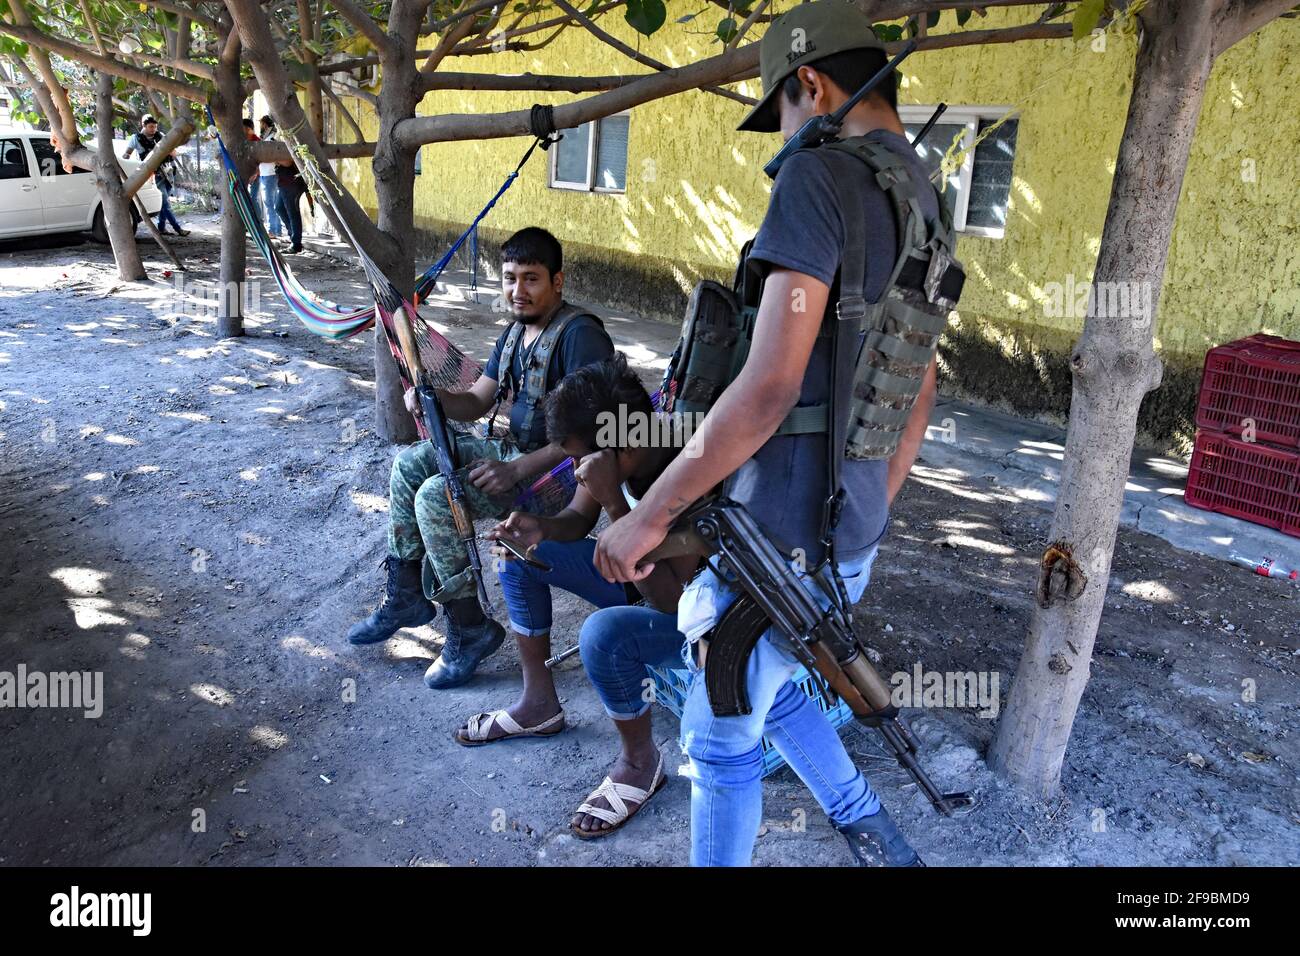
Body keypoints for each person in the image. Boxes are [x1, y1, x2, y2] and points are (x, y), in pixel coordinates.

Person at [592, 0, 951, 866]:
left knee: (720, 744)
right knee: (775, 678)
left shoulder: (820, 178)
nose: (781, 137)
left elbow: (767, 387)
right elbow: (921, 383)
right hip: (846, 527)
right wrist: (871, 501)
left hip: (776, 531)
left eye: (783, 112)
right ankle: (876, 833)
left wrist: (649, 514)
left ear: (810, 83)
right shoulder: (922, 193)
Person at [347, 227, 616, 690]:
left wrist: (515, 469)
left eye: (531, 279)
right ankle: (407, 592)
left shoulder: (581, 337)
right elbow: (476, 400)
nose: (518, 290)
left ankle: (471, 626)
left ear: (558, 281)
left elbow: (593, 437)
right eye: (510, 278)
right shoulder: (515, 332)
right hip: (516, 456)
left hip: (560, 477)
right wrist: (430, 398)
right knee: (410, 465)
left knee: (437, 496)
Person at [460, 354, 701, 838]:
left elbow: (672, 602)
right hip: (640, 580)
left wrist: (616, 501)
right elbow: (578, 519)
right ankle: (538, 705)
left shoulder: (688, 470)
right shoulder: (615, 450)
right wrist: (539, 528)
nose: (573, 469)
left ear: (621, 447)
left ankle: (639, 764)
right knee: (521, 555)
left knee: (604, 637)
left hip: (697, 615)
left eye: (577, 459)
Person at [123, 114, 188, 236]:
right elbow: (127, 154)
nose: (153, 129)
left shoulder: (160, 136)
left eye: (155, 127)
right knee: (165, 202)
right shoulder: (136, 138)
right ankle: (178, 228)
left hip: (168, 172)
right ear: (144, 125)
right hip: (152, 174)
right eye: (151, 127)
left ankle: (161, 227)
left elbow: (172, 152)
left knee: (164, 201)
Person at [256, 115, 282, 238]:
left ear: (265, 125)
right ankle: (276, 229)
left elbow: (272, 157)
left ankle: (273, 230)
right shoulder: (267, 138)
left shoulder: (271, 140)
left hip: (269, 174)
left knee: (270, 204)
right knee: (272, 203)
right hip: (267, 173)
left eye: (261, 123)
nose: (260, 126)